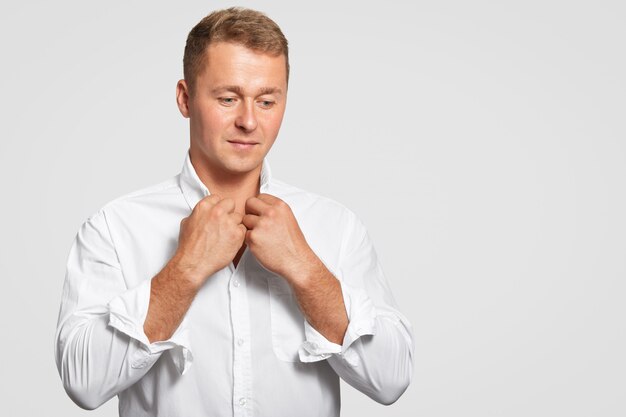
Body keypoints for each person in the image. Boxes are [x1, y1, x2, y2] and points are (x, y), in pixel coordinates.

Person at [54, 6, 414, 416]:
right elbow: (83, 383)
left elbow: (391, 379)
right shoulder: (115, 229)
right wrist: (186, 269)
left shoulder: (337, 227)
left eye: (266, 101)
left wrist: (305, 269)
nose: (248, 121)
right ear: (185, 99)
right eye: (228, 98)